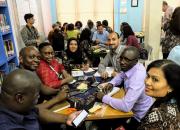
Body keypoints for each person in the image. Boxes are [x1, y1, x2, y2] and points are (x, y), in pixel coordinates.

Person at [0, 69, 81, 130]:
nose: (38, 97)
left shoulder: (16, 106)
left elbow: (37, 111)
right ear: (20, 98)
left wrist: (67, 118)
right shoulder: (7, 126)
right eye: (36, 96)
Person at [96, 46, 153, 130]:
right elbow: (121, 75)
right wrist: (112, 83)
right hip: (132, 108)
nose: (122, 62)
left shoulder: (137, 78)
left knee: (104, 121)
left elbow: (126, 106)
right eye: (121, 58)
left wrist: (103, 97)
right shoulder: (132, 66)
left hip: (138, 117)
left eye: (127, 59)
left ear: (135, 61)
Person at [137, 59, 180, 130]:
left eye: (155, 79)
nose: (147, 82)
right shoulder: (173, 101)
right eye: (148, 76)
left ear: (171, 87)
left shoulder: (157, 116)